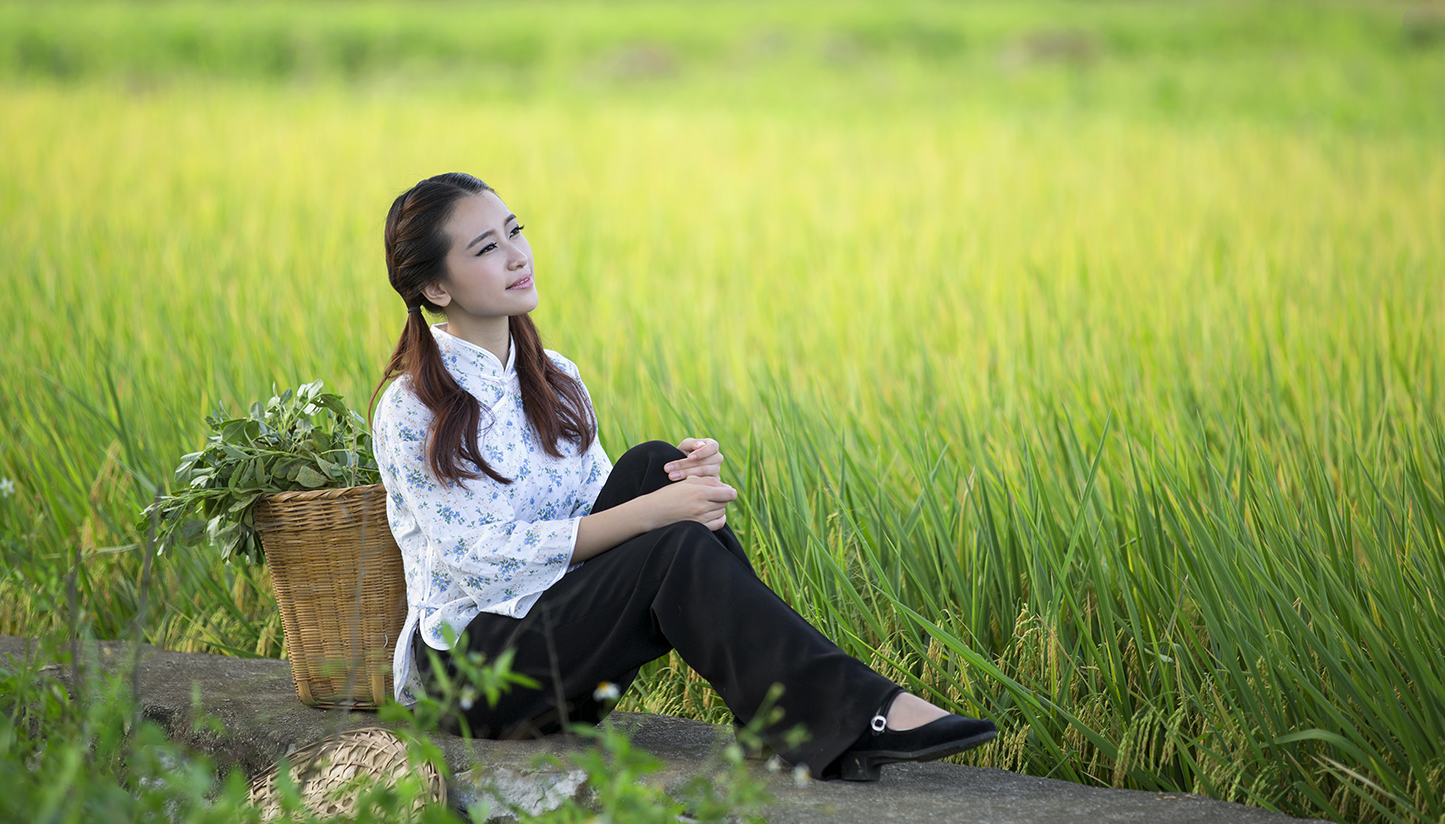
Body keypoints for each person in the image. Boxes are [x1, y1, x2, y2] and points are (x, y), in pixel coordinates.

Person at [370, 171, 996, 781]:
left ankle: (792, 713)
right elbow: (479, 558)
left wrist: (683, 487)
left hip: (558, 652)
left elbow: (592, 506)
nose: (517, 256)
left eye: (515, 231)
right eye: (486, 248)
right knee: (667, 534)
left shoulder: (553, 377)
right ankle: (841, 712)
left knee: (654, 463)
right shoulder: (413, 405)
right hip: (473, 678)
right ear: (435, 286)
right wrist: (656, 514)